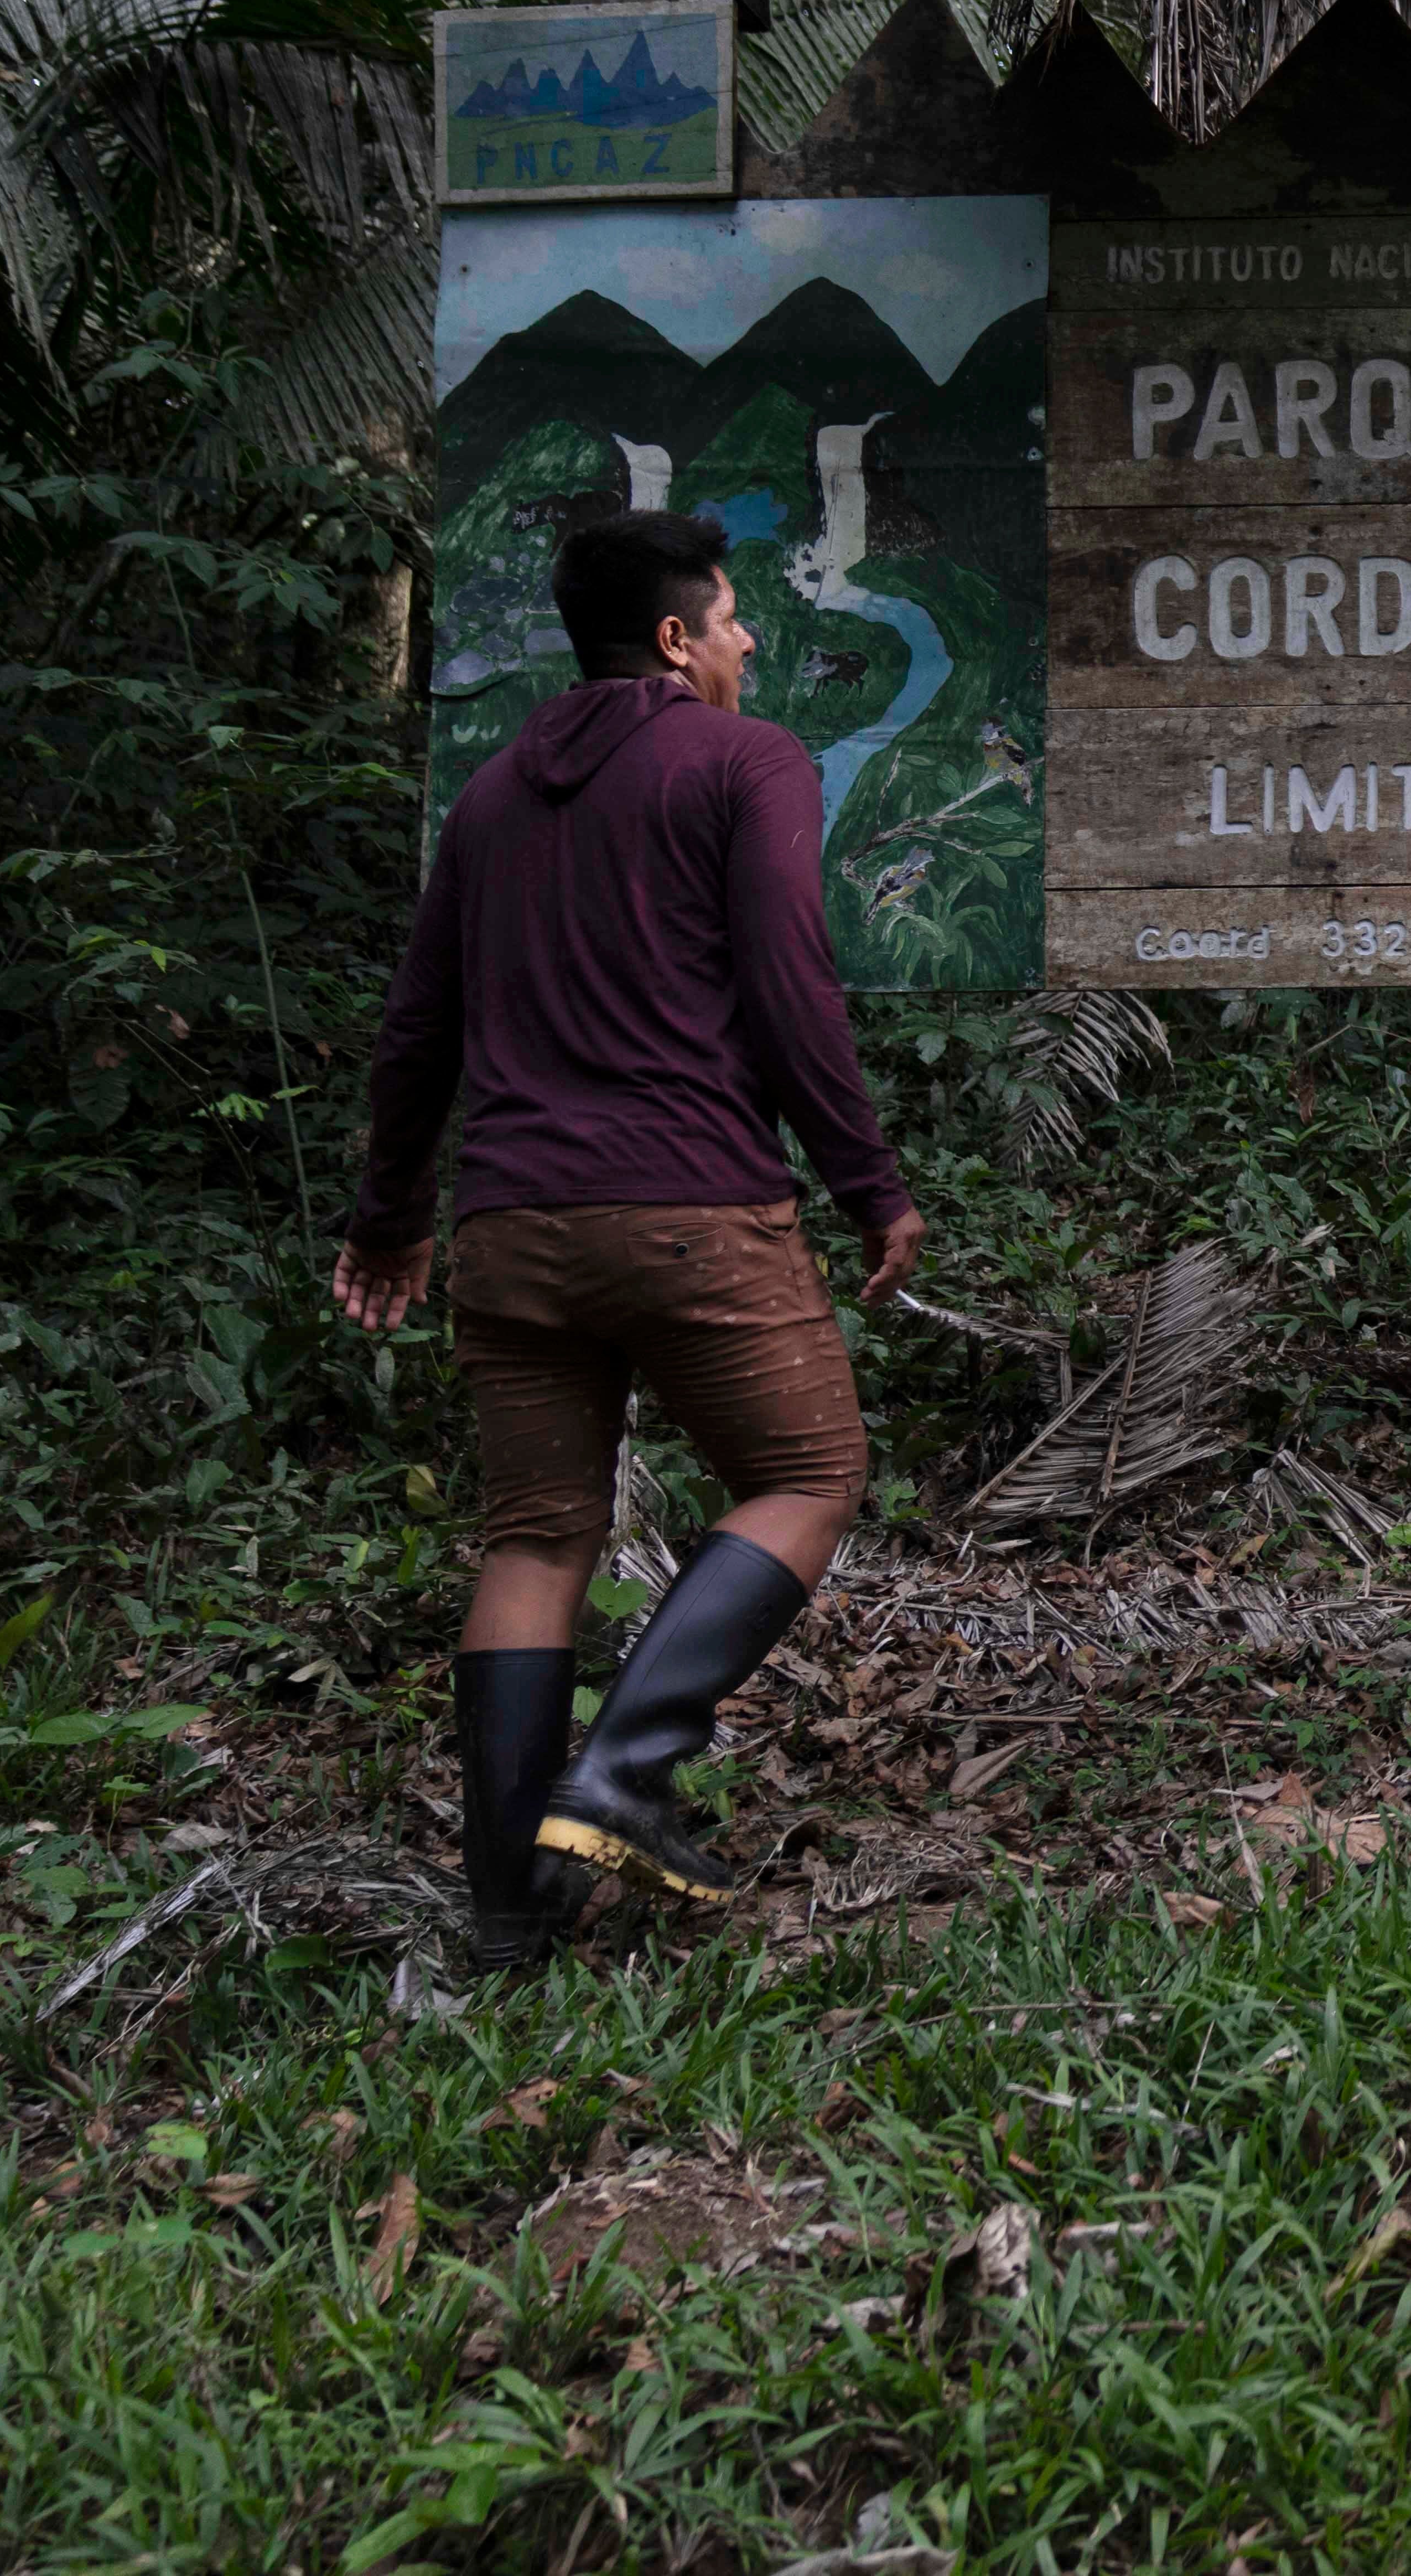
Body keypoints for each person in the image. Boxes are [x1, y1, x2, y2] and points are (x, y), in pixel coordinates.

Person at [335, 510, 925, 1974]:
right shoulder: (745, 762)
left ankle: (507, 1916)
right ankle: (619, 1778)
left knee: (534, 1534)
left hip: (509, 1229)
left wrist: (392, 1217)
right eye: (728, 620)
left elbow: (417, 1035)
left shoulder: (485, 801)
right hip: (691, 1208)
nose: (744, 644)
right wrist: (868, 1184)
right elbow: (792, 987)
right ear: (674, 639)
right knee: (807, 1472)